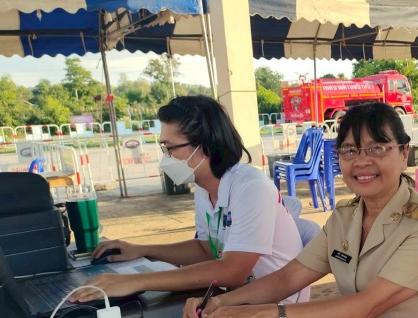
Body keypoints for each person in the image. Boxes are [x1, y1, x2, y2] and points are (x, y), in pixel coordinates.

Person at [178, 102, 418, 318]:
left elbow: (367, 306)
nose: (362, 161)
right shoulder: (345, 216)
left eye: (377, 148)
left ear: (404, 154)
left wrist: (264, 316)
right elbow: (290, 277)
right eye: (349, 151)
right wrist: (219, 303)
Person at [71, 95, 308, 303]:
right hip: (239, 301)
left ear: (205, 147)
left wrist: (136, 281)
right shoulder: (205, 188)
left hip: (277, 306)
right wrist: (142, 250)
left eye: (170, 148)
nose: (166, 157)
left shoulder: (250, 187)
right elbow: (206, 249)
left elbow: (233, 271)